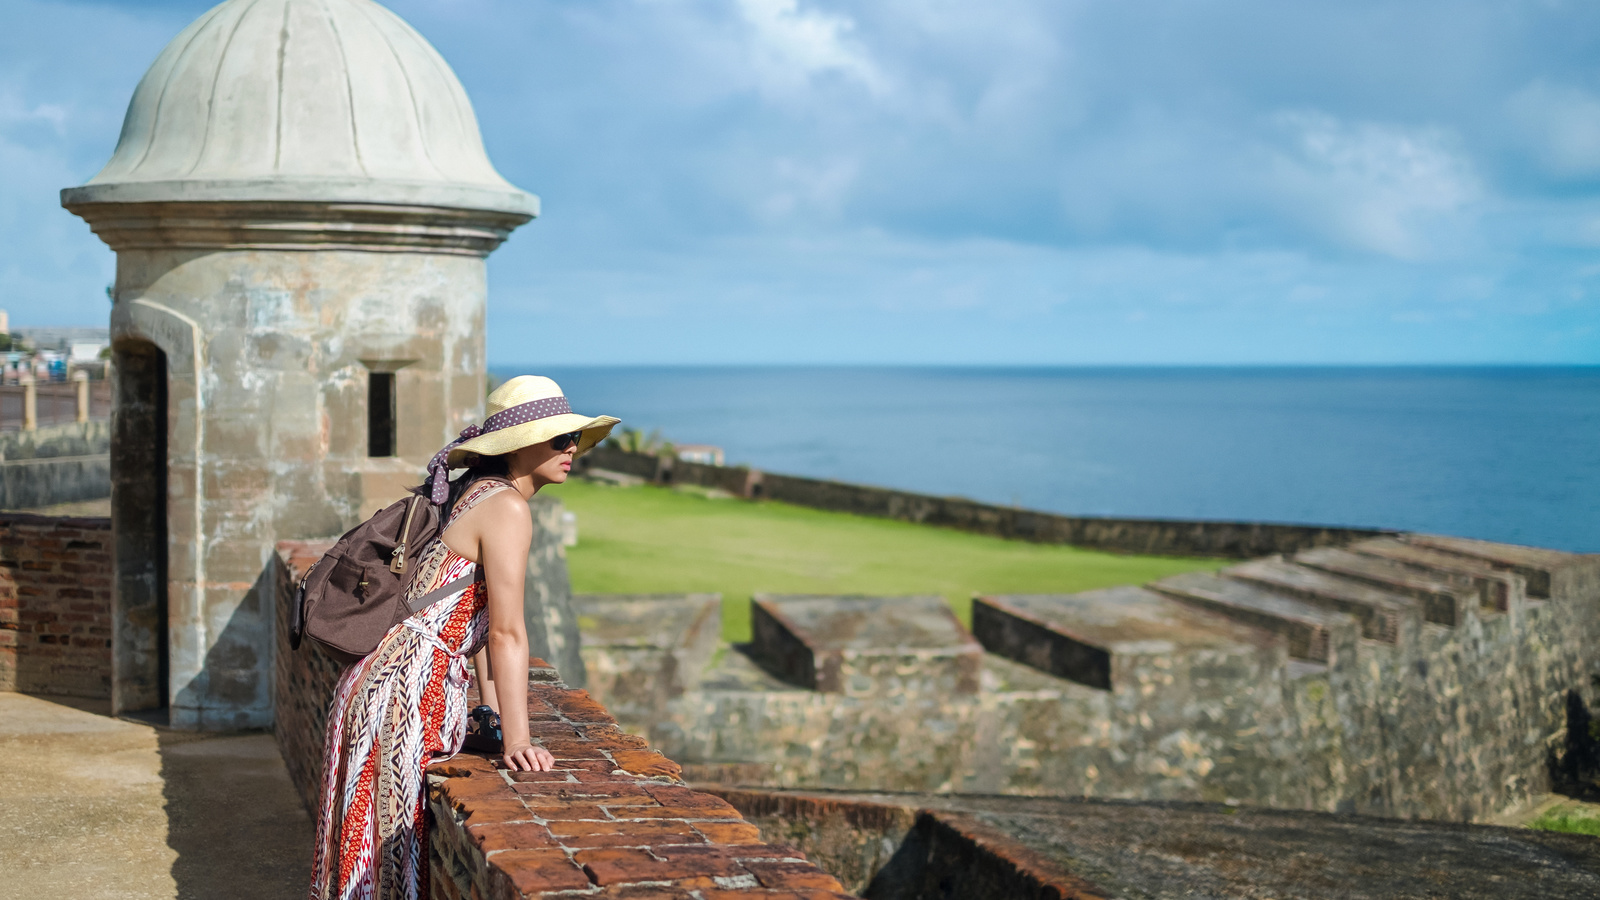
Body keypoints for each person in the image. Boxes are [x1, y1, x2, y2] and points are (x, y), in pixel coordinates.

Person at [309, 375, 618, 900]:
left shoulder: (474, 493)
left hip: (380, 685)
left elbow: (472, 635)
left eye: (573, 438)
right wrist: (519, 740)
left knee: (369, 862)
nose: (572, 450)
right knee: (387, 864)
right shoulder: (507, 508)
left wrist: (494, 716)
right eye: (558, 438)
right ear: (518, 445)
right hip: (405, 694)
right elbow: (506, 633)